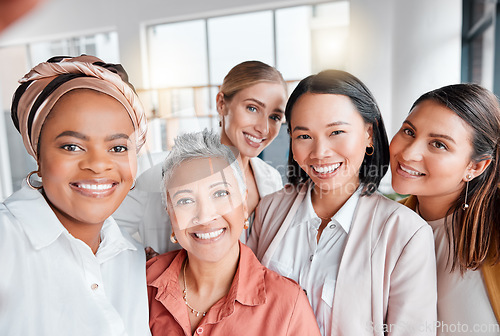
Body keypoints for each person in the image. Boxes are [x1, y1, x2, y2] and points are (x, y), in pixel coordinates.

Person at [247, 70, 437, 335]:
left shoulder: (406, 233)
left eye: (336, 131)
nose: (320, 152)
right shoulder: (269, 209)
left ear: (369, 134)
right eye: (304, 136)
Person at [0, 55, 150, 335]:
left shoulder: (132, 257)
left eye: (118, 148)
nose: (98, 164)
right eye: (71, 146)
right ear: (38, 157)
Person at [147, 129, 320, 336]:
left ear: (244, 205)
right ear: (170, 212)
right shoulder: (142, 283)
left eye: (220, 193)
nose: (205, 216)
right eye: (185, 200)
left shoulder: (287, 305)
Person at [114, 60, 287, 255]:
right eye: (252, 108)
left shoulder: (271, 179)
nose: (263, 128)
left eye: (275, 117)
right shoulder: (159, 174)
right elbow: (108, 235)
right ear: (221, 104)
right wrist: (144, 264)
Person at [390, 83, 500, 335]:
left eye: (439, 144)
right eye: (408, 131)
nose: (409, 153)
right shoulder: (384, 225)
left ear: (475, 167)